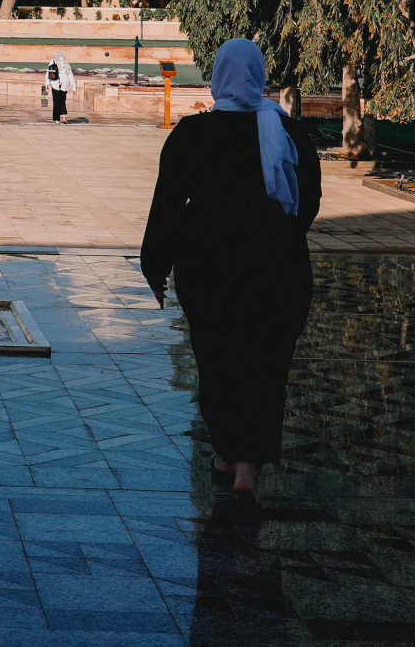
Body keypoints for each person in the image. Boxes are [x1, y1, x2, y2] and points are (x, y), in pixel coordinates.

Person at [140, 38, 322, 504]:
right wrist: (276, 238)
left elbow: (167, 210)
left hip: (210, 273)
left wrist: (156, 265)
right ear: (258, 76)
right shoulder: (289, 134)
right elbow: (308, 204)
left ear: (218, 75)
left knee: (219, 364)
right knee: (265, 369)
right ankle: (245, 470)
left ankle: (226, 453)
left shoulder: (191, 134)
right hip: (278, 276)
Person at [45, 51, 75, 123]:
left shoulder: (52, 62)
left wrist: (47, 84)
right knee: (62, 101)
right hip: (64, 85)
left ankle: (57, 119)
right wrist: (74, 87)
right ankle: (64, 117)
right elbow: (70, 75)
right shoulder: (66, 63)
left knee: (56, 102)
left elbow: (48, 73)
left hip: (55, 84)